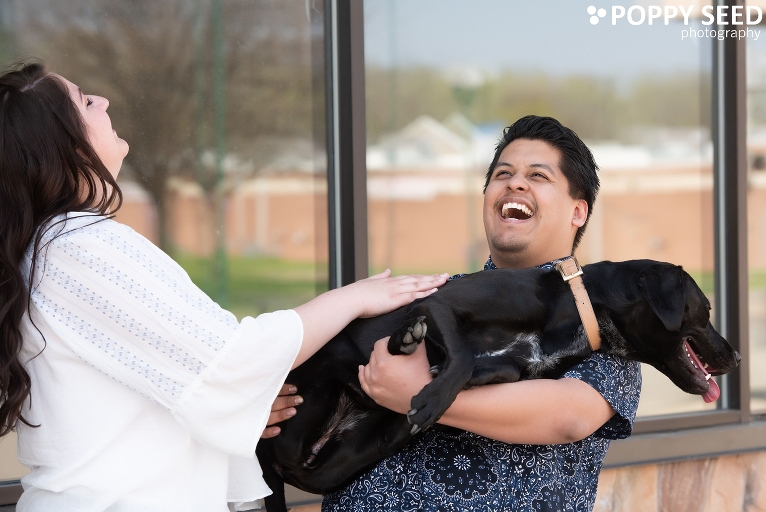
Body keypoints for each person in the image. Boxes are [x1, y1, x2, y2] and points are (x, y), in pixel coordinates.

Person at [0, 62, 449, 511]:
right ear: (65, 144)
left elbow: (163, 380)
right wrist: (352, 298)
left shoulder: (50, 250)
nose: (103, 101)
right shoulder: (80, 247)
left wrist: (239, 404)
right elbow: (230, 361)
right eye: (84, 102)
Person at [318, 116, 643, 511]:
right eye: (503, 174)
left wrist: (421, 397)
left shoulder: (600, 326)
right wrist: (269, 406)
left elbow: (569, 416)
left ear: (578, 211)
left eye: (538, 175)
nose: (515, 183)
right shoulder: (432, 293)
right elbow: (336, 372)